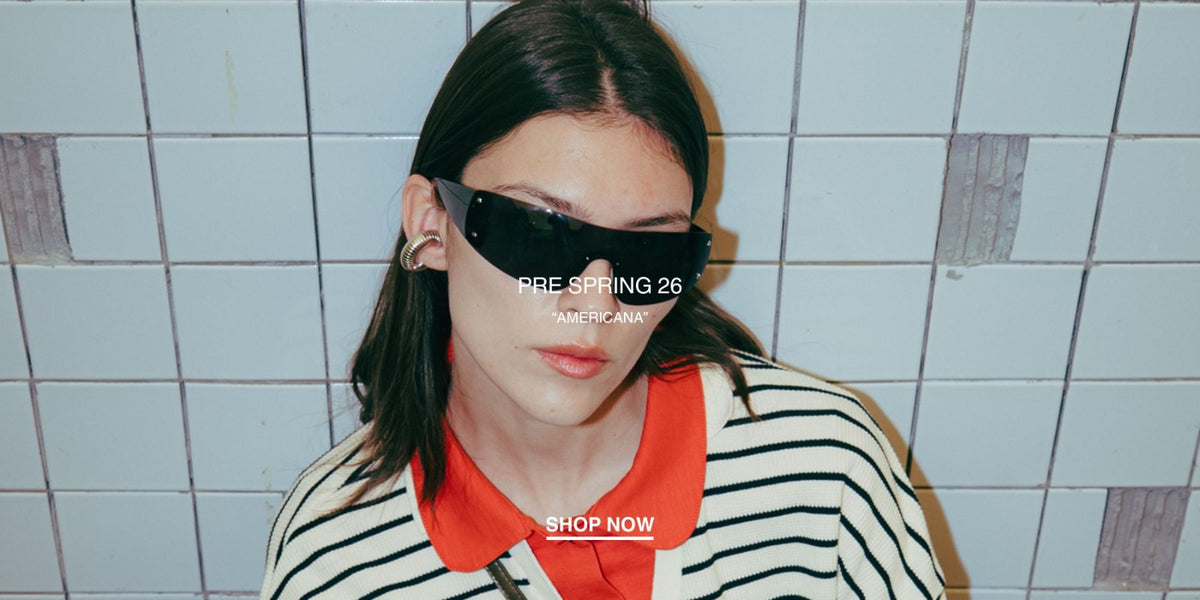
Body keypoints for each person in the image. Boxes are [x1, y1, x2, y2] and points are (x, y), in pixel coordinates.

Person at [260, 0, 946, 598]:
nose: (597, 303)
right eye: (539, 234)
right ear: (431, 224)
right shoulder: (336, 551)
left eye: (648, 252)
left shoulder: (823, 470)